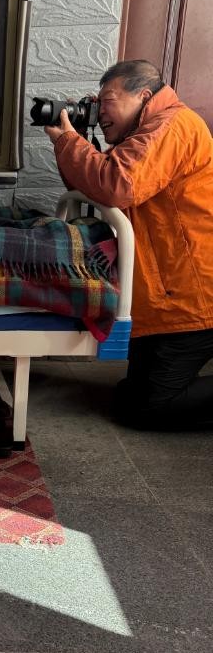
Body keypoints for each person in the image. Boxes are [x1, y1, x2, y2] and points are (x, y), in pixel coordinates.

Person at [44, 58, 213, 430]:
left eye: (108, 101)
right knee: (131, 397)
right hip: (165, 298)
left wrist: (70, 142)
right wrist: (72, 140)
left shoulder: (172, 125)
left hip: (193, 296)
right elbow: (92, 182)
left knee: (149, 408)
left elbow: (117, 186)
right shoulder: (140, 138)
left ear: (144, 96)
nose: (101, 111)